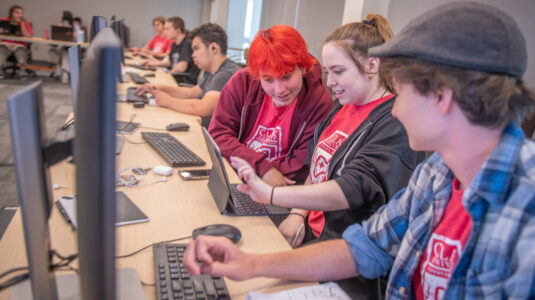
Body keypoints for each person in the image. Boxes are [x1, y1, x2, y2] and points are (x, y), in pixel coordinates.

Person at [183, 3, 535, 299]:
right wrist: (251, 265)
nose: (395, 108)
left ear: (441, 97)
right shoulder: (437, 174)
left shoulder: (525, 214)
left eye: (402, 92)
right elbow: (365, 247)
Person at [230, 15, 425, 248]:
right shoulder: (342, 108)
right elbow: (317, 170)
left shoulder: (395, 121)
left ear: (372, 64)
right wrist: (297, 214)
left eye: (338, 71)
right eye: (327, 72)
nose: (330, 82)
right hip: (311, 230)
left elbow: (353, 188)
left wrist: (271, 195)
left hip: (343, 247)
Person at [208, 25, 333, 187]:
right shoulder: (241, 83)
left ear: (302, 67)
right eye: (268, 80)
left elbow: (301, 166)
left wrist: (259, 172)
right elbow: (218, 135)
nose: (279, 90)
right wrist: (262, 167)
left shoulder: (319, 102)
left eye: (286, 77)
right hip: (236, 178)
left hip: (280, 188)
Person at [135, 23, 240, 127]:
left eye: (196, 48)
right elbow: (192, 92)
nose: (193, 55)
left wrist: (167, 101)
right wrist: (158, 87)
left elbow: (204, 108)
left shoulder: (226, 73)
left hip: (212, 136)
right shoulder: (213, 70)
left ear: (213, 48)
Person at [143, 16, 199, 85]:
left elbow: (182, 66)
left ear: (178, 31)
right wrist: (154, 63)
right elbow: (169, 62)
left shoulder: (187, 44)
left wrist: (168, 75)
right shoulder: (174, 44)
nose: (165, 32)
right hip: (174, 78)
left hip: (182, 82)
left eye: (167, 29)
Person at [0, 4, 33, 78]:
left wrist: (21, 24)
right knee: (2, 47)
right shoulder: (4, 21)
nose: (19, 15)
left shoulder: (25, 23)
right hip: (6, 43)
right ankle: (0, 70)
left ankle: (22, 70)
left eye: (21, 13)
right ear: (11, 13)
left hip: (19, 44)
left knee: (20, 49)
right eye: (17, 13)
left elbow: (28, 36)